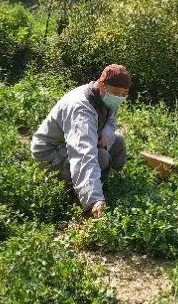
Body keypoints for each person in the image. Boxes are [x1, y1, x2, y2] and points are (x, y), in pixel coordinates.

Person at [30, 64, 131, 218]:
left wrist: (106, 134)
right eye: (116, 92)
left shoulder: (105, 98)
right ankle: (85, 197)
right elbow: (83, 155)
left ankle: (107, 180)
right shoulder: (81, 109)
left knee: (117, 141)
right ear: (102, 85)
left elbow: (111, 122)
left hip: (75, 141)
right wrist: (94, 198)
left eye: (123, 94)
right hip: (50, 153)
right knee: (100, 157)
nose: (119, 97)